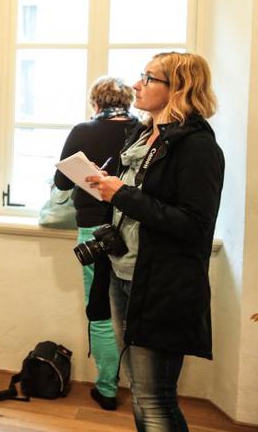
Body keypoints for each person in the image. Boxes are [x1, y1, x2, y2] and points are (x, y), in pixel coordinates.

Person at [87, 52, 224, 431]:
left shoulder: (198, 147)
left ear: (179, 87)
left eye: (149, 78)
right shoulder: (142, 135)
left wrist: (122, 194)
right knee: (139, 390)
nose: (136, 85)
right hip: (123, 272)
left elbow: (194, 225)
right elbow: (142, 199)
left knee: (155, 397)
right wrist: (108, 186)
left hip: (162, 283)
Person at [54, 77, 138, 411]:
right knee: (134, 310)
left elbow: (62, 182)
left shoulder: (84, 131)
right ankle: (145, 390)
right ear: (129, 100)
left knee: (101, 309)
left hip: (93, 230)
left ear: (96, 102)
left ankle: (106, 389)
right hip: (134, 229)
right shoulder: (143, 131)